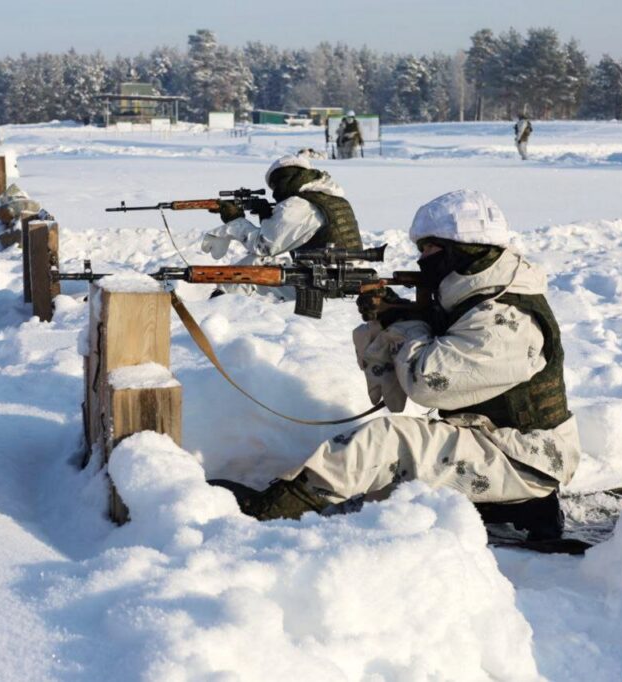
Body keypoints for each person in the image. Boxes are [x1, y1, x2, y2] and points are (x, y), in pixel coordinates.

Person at [211, 189, 581, 540]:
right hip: (496, 442)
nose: (423, 259)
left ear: (464, 250)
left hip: (525, 460)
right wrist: (399, 318)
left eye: (431, 248)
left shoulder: (506, 316)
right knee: (378, 486)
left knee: (385, 441)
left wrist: (405, 324)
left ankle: (277, 510)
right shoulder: (477, 297)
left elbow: (428, 382)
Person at [200, 154, 363, 296]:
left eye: (275, 186)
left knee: (253, 265)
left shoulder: (298, 204)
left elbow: (263, 247)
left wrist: (236, 220)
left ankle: (218, 306)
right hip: (346, 277)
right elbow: (290, 235)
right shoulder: (331, 199)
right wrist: (266, 217)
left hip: (323, 284)